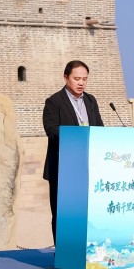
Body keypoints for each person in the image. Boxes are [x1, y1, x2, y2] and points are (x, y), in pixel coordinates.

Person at [43, 60, 104, 243]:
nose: (81, 83)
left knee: (87, 211)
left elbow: (99, 128)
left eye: (84, 79)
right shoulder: (54, 102)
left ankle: (87, 248)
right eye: (77, 79)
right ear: (66, 78)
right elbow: (51, 129)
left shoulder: (91, 100)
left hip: (87, 166)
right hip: (63, 167)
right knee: (63, 213)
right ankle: (63, 251)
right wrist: (76, 136)